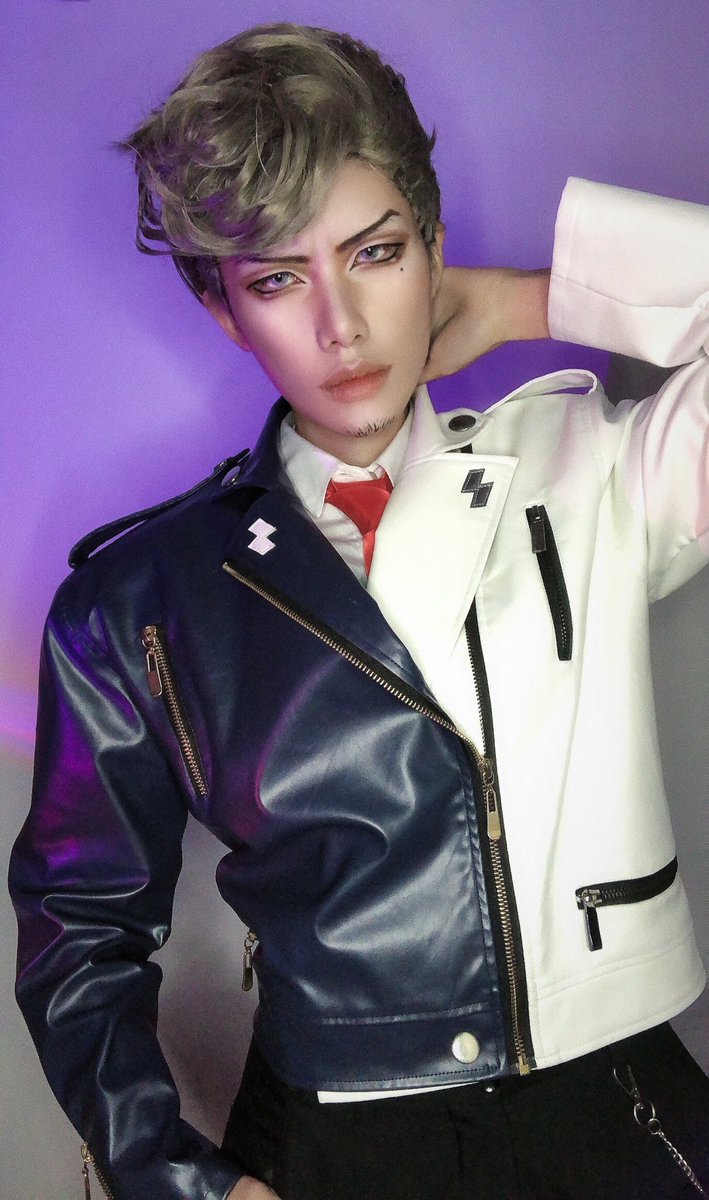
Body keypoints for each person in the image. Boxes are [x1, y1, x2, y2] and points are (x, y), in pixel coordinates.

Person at [8, 21, 709, 1200]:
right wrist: (177, 1182)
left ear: (432, 247)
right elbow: (76, 928)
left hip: (615, 1108)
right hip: (334, 1142)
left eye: (375, 253)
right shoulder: (138, 602)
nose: (340, 326)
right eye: (278, 280)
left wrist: (531, 300)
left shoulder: (586, 467)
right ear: (224, 310)